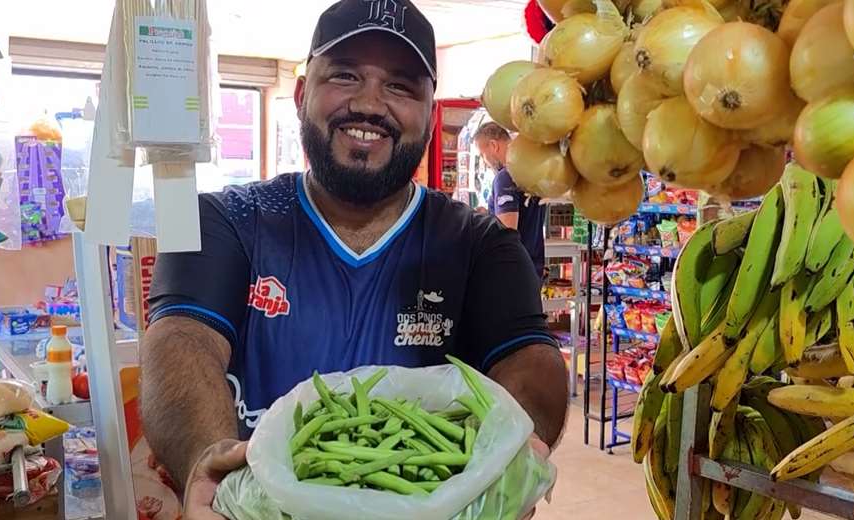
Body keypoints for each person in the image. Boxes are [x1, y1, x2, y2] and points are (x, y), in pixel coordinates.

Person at [138, 1, 569, 517]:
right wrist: (206, 460)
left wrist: (518, 448)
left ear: (429, 116)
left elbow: (529, 359)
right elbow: (181, 341)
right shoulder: (225, 220)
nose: (369, 103)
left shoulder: (480, 244)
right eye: (344, 75)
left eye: (401, 86)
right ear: (302, 94)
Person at [474, 122, 547, 279]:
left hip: (512, 271)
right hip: (532, 268)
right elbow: (524, 218)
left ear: (494, 145)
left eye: (482, 154)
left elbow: (507, 231)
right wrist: (489, 214)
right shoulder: (530, 173)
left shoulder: (505, 177)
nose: (484, 161)